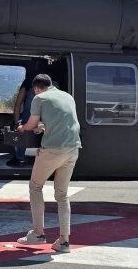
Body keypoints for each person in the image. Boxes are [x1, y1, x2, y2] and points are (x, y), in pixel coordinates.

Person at [15, 73, 82, 253]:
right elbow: (61, 122)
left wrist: (21, 127)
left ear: (36, 88)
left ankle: (38, 234)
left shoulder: (39, 98)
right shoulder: (67, 96)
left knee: (35, 187)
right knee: (62, 194)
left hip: (53, 149)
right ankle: (64, 241)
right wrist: (44, 127)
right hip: (73, 149)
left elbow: (30, 125)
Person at [7, 63, 39, 167]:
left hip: (31, 110)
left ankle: (19, 158)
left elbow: (17, 105)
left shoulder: (28, 82)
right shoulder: (51, 81)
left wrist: (17, 123)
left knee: (24, 126)